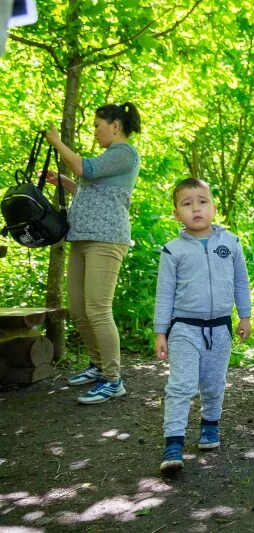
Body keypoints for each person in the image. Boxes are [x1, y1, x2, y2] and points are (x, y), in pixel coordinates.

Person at [44, 103, 141, 404]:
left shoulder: (125, 153)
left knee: (98, 308)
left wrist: (56, 141)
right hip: (82, 237)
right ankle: (99, 365)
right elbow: (92, 188)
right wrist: (64, 183)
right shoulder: (109, 156)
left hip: (107, 239)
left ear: (115, 125)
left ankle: (114, 379)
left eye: (98, 125)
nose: (96, 131)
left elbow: (84, 168)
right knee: (78, 308)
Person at [154, 178, 252, 472]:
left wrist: (244, 315)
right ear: (176, 214)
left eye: (202, 201)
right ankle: (173, 443)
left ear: (214, 207)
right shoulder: (173, 250)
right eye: (187, 203)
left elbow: (240, 282)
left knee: (213, 383)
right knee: (181, 385)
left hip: (220, 328)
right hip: (184, 328)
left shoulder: (231, 243)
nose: (195, 208)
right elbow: (165, 293)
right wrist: (161, 331)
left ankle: (210, 425)